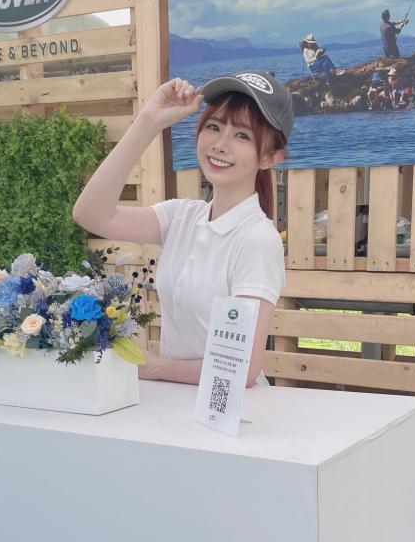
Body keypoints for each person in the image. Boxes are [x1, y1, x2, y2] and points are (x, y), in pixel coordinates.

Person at [72, 70, 291, 389]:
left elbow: (239, 368)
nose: (220, 144)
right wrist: (149, 121)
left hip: (229, 409)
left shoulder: (257, 239)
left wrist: (157, 367)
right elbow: (91, 214)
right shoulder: (182, 216)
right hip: (175, 402)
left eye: (242, 135)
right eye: (214, 127)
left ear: (270, 157)